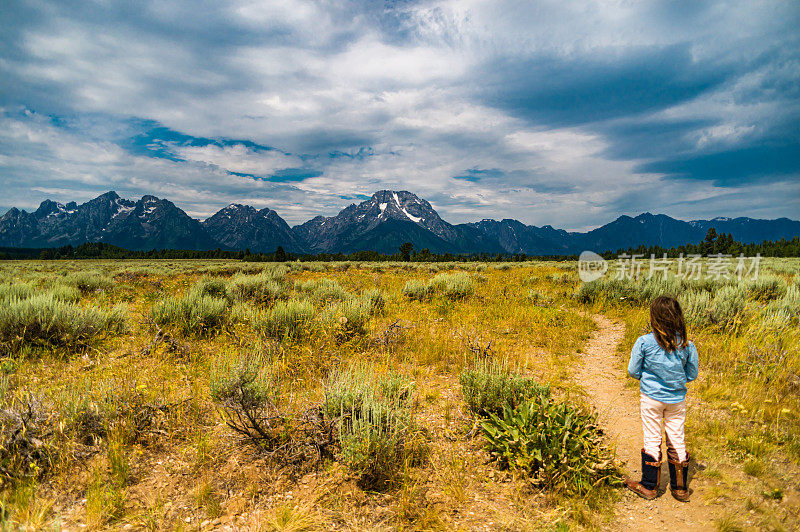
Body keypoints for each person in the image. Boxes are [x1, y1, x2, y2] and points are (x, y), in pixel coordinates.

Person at [624, 295, 699, 502]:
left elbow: (632, 370)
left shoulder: (644, 342)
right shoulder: (686, 344)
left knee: (652, 437)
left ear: (654, 317)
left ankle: (649, 486)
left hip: (651, 398)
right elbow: (692, 375)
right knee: (677, 438)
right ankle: (680, 489)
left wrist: (647, 379)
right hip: (677, 400)